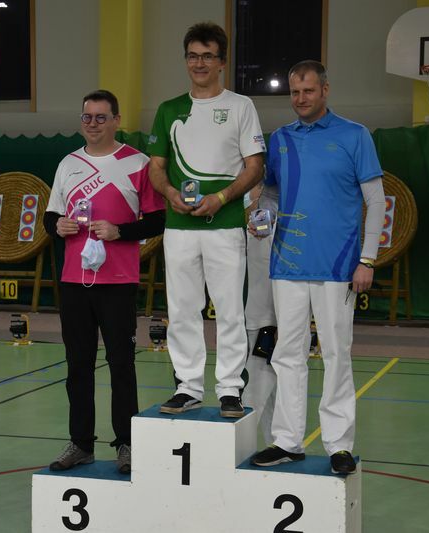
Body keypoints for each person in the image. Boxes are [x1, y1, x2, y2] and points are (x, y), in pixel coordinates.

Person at [249, 60, 385, 474]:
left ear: (325, 89)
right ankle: (287, 441)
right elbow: (271, 194)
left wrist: (367, 259)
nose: (300, 99)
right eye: (294, 92)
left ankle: (339, 444)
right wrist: (262, 218)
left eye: (308, 91)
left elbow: (376, 201)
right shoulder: (280, 139)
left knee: (336, 354)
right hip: (287, 265)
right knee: (287, 355)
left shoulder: (355, 135)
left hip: (338, 266)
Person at [42, 89, 165, 474]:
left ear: (116, 120)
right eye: (87, 117)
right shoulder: (68, 163)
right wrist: (58, 225)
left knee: (121, 364)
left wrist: (120, 231)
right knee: (77, 365)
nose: (92, 124)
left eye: (100, 117)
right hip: (74, 280)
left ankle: (126, 443)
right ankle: (81, 444)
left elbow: (157, 220)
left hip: (118, 280)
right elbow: (50, 216)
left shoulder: (138, 163)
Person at [148, 21, 265, 418]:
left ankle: (230, 389)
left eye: (208, 56)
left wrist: (221, 198)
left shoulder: (241, 106)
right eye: (193, 56)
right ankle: (188, 386)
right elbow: (156, 168)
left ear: (222, 62)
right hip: (179, 228)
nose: (199, 63)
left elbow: (255, 166)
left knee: (230, 309)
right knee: (182, 309)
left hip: (226, 226)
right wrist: (170, 194)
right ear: (186, 60)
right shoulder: (168, 109)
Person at [243, 184, 278, 444]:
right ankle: (258, 443)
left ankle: (276, 444)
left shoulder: (279, 200)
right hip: (248, 310)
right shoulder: (239, 197)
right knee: (255, 381)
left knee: (265, 380)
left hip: (271, 313)